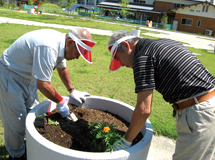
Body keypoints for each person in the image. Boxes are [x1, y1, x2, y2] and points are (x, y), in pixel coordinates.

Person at [108, 30, 215, 160]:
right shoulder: (163, 43)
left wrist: (126, 141)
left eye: (117, 57)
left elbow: (144, 110)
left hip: (199, 113)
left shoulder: (142, 57)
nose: (122, 64)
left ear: (126, 45)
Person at [0, 28, 96, 160]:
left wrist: (72, 91)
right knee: (16, 121)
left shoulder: (62, 44)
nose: (78, 57)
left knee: (32, 114)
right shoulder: (48, 46)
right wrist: (61, 101)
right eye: (78, 52)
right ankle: (17, 155)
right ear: (70, 43)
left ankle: (28, 144)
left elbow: (62, 68)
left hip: (28, 76)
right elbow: (43, 85)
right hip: (11, 75)